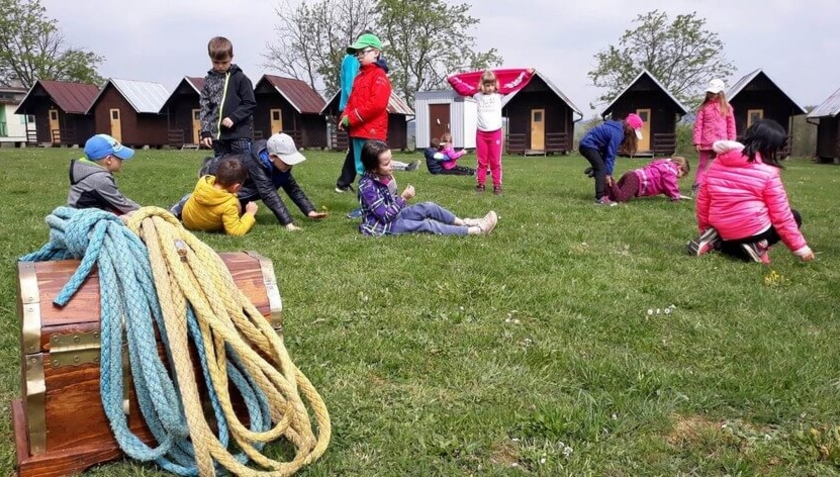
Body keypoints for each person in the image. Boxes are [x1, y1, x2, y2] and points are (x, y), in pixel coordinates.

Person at [687, 119, 814, 264]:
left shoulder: (717, 162)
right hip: (752, 230)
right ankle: (759, 245)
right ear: (771, 147)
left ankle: (713, 239)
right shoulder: (768, 172)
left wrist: (705, 229)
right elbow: (782, 215)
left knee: (731, 238)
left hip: (721, 227)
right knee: (794, 215)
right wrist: (801, 248)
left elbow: (703, 201)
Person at [173, 133, 327, 231]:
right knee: (210, 200)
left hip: (243, 186)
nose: (290, 166)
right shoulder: (256, 164)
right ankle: (179, 207)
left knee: (233, 203)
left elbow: (292, 188)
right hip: (218, 174)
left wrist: (309, 211)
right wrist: (288, 223)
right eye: (287, 162)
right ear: (272, 156)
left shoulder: (281, 167)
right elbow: (268, 193)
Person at [357, 140, 497, 237]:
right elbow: (385, 217)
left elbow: (391, 204)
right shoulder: (367, 187)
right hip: (381, 225)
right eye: (387, 163)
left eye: (391, 160)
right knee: (427, 225)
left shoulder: (383, 174)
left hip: (395, 215)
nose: (391, 165)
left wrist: (397, 196)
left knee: (429, 207)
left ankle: (464, 222)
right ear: (373, 168)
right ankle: (476, 231)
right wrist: (403, 198)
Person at [448, 68, 535, 194]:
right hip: (481, 134)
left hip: (495, 134)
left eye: (492, 85)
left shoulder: (499, 94)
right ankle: (481, 184)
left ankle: (497, 185)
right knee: (482, 161)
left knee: (495, 161)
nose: (489, 88)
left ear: (495, 85)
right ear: (482, 85)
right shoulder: (477, 95)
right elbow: (462, 89)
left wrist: (527, 74)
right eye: (487, 85)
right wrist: (452, 79)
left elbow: (514, 84)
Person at [199, 36, 257, 157]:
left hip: (239, 135)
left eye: (224, 62)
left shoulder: (241, 79)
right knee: (222, 170)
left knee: (242, 168)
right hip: (218, 137)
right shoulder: (208, 81)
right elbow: (205, 107)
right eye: (216, 62)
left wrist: (233, 118)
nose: (220, 66)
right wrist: (205, 132)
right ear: (210, 58)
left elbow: (250, 104)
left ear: (231, 57)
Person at [181, 157, 258, 236]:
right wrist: (249, 214)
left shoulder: (204, 180)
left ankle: (180, 205)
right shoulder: (229, 204)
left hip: (186, 219)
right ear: (236, 187)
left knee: (189, 196)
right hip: (201, 226)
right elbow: (235, 231)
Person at [578, 113, 644, 205]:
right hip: (588, 146)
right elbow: (610, 155)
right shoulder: (617, 133)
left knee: (601, 168)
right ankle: (599, 199)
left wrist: (605, 170)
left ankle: (596, 171)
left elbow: (606, 150)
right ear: (629, 126)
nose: (633, 133)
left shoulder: (619, 129)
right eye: (633, 130)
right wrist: (608, 174)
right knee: (601, 169)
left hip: (592, 147)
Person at [68, 134, 140, 216]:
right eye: (120, 157)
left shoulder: (91, 173)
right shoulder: (99, 179)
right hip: (84, 221)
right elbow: (122, 206)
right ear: (109, 160)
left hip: (90, 214)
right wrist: (146, 213)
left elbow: (119, 198)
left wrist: (142, 208)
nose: (122, 160)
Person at [692, 78, 736, 194]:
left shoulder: (727, 107)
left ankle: (718, 186)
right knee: (703, 164)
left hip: (722, 143)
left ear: (720, 93)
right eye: (710, 93)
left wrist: (732, 142)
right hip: (705, 142)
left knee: (721, 165)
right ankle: (697, 186)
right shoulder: (703, 108)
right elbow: (698, 126)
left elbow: (731, 126)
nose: (711, 95)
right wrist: (697, 142)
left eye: (714, 93)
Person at [606, 156, 691, 203]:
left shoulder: (664, 164)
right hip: (636, 180)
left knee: (613, 195)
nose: (678, 177)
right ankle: (608, 179)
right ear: (679, 168)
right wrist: (676, 197)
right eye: (680, 175)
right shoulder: (671, 171)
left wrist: (673, 195)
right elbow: (671, 185)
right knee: (621, 199)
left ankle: (606, 188)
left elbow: (666, 188)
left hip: (632, 175)